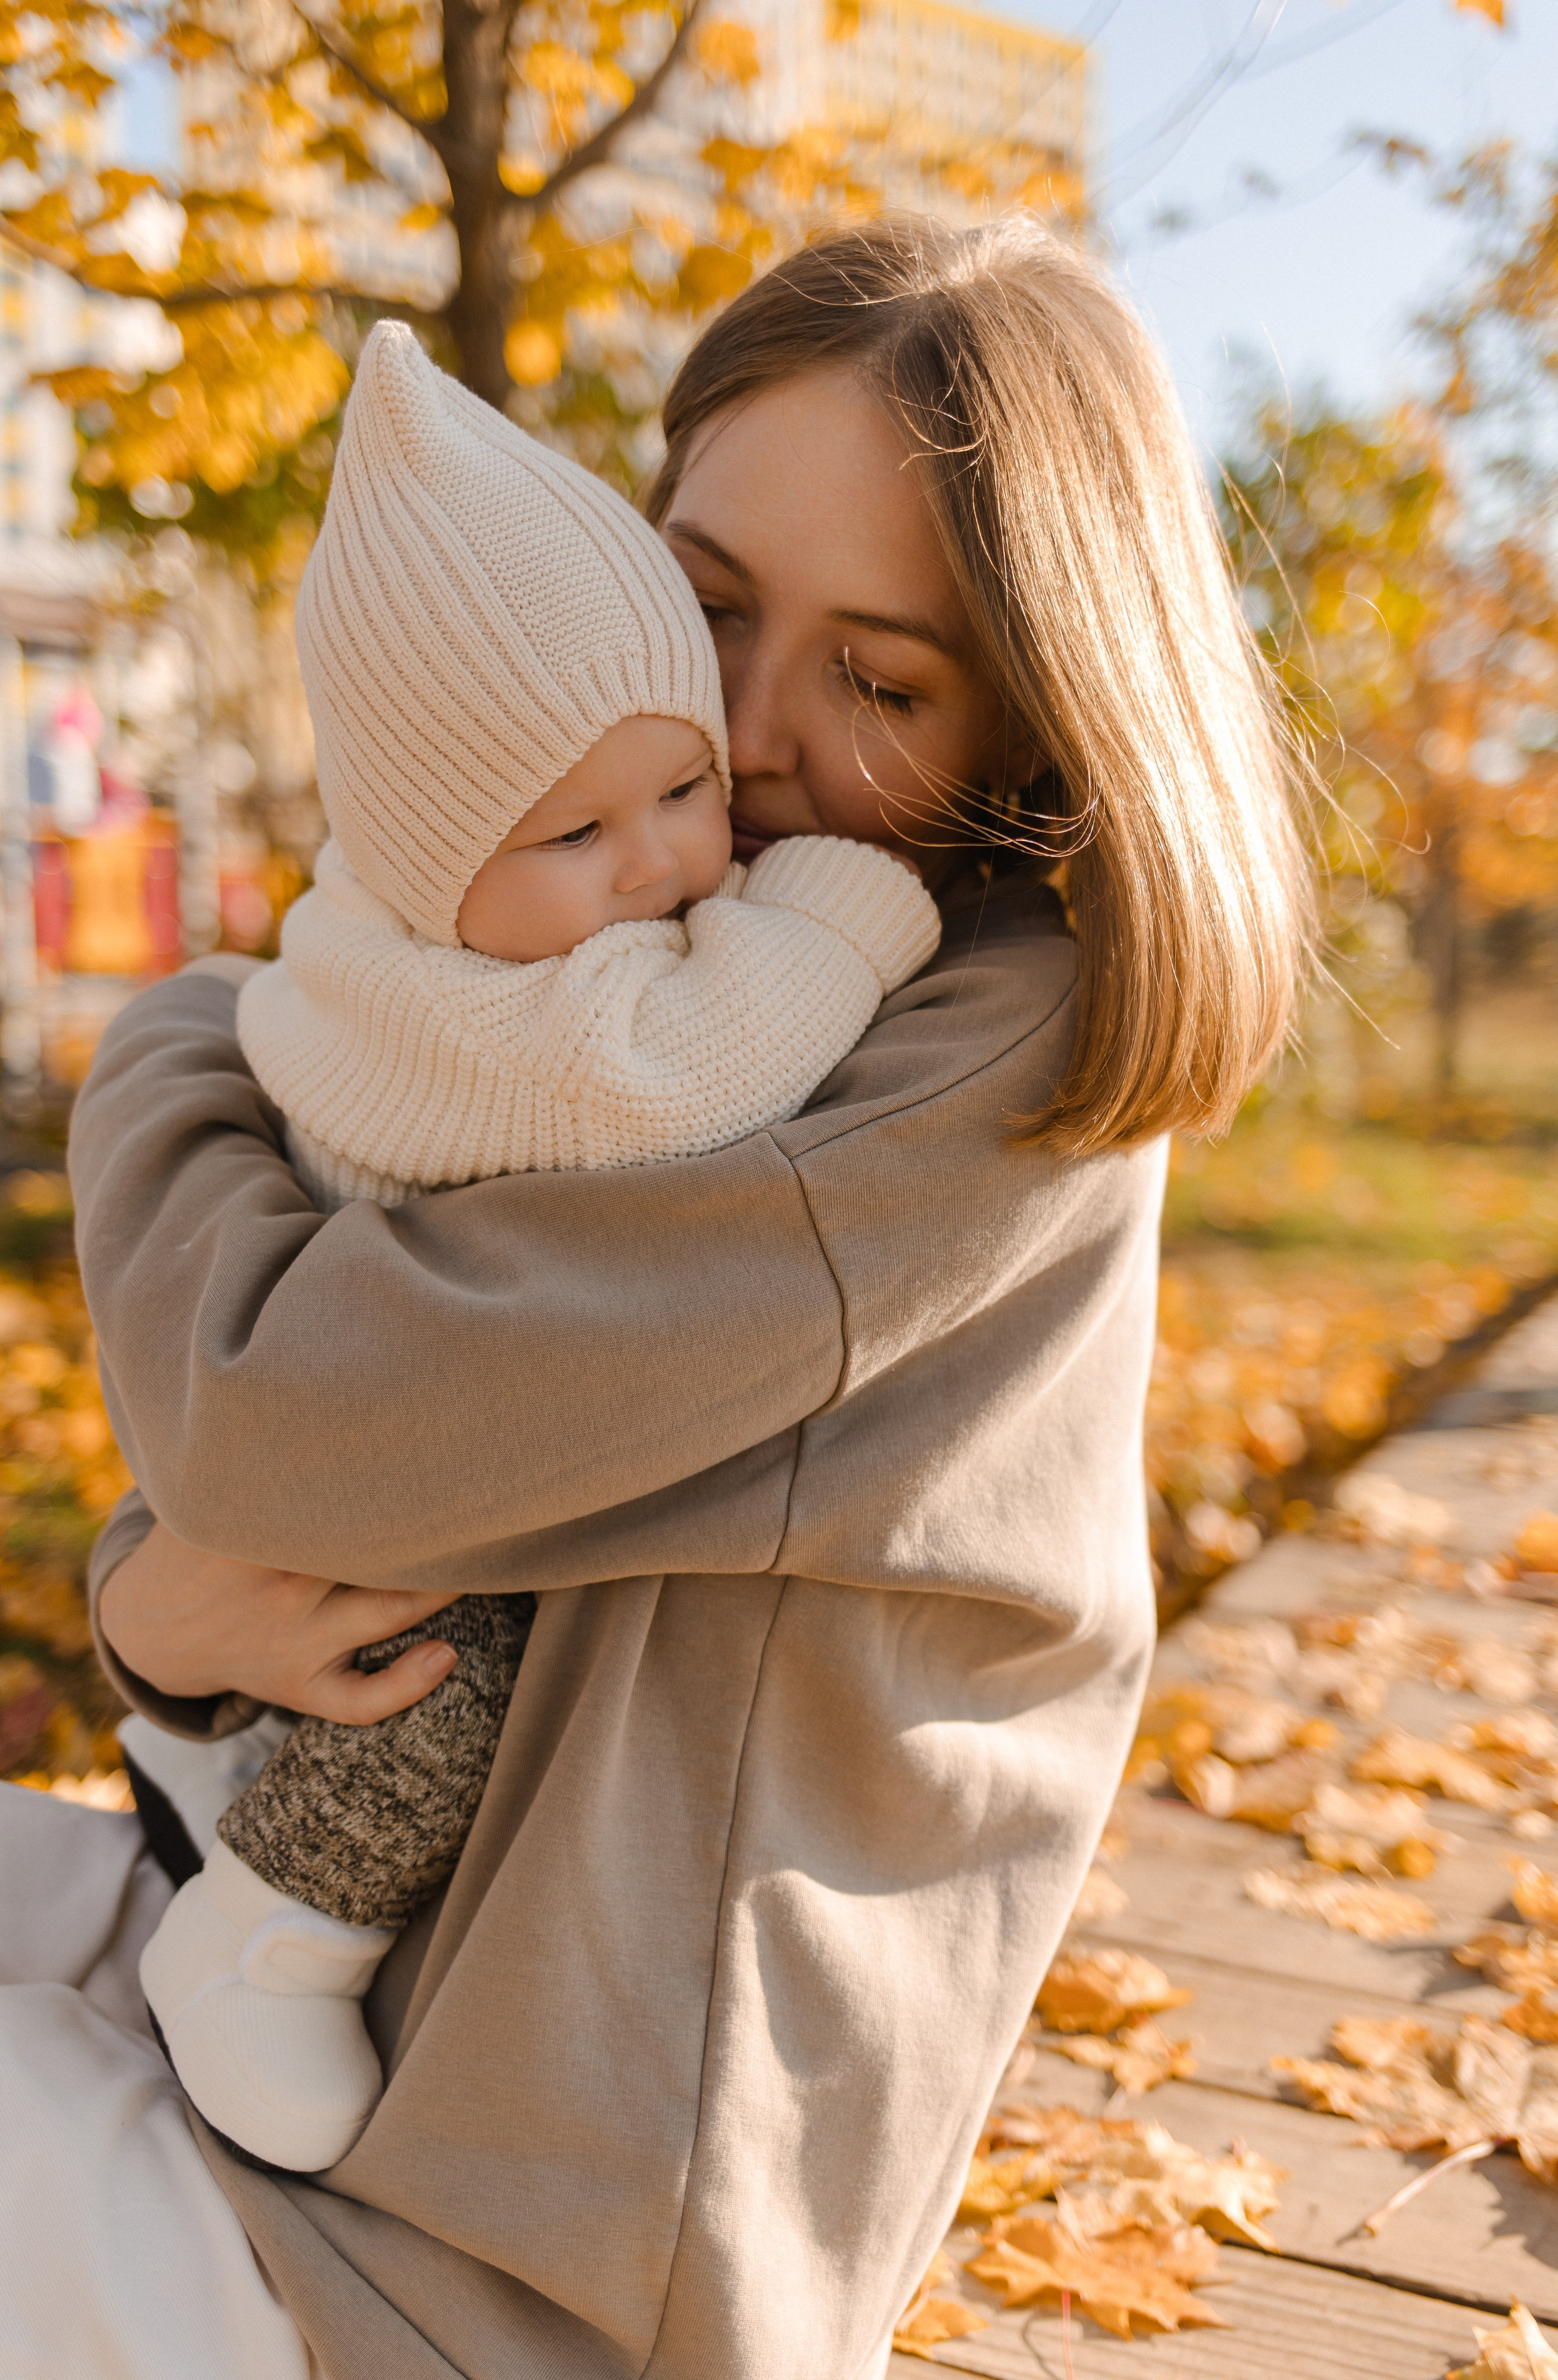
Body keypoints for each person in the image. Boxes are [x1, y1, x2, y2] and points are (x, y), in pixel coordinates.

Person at [6, 214, 1312, 2380]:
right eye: (706, 609)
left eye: (880, 682)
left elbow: (281, 1409)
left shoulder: (968, 1073)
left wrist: (166, 1044)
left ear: (1042, 722)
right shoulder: (669, 963)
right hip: (308, 2003)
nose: (744, 741)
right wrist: (160, 1613)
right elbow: (386, 1432)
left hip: (482, 2278)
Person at [136, 318, 939, 2175]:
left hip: (358, 1433)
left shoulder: (435, 927)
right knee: (461, 1668)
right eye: (577, 830)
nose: (662, 863)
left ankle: (210, 1763)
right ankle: (271, 1932)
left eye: (683, 792)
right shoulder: (513, 1023)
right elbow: (679, 1074)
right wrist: (841, 913)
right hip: (410, 1484)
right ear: (436, 870)